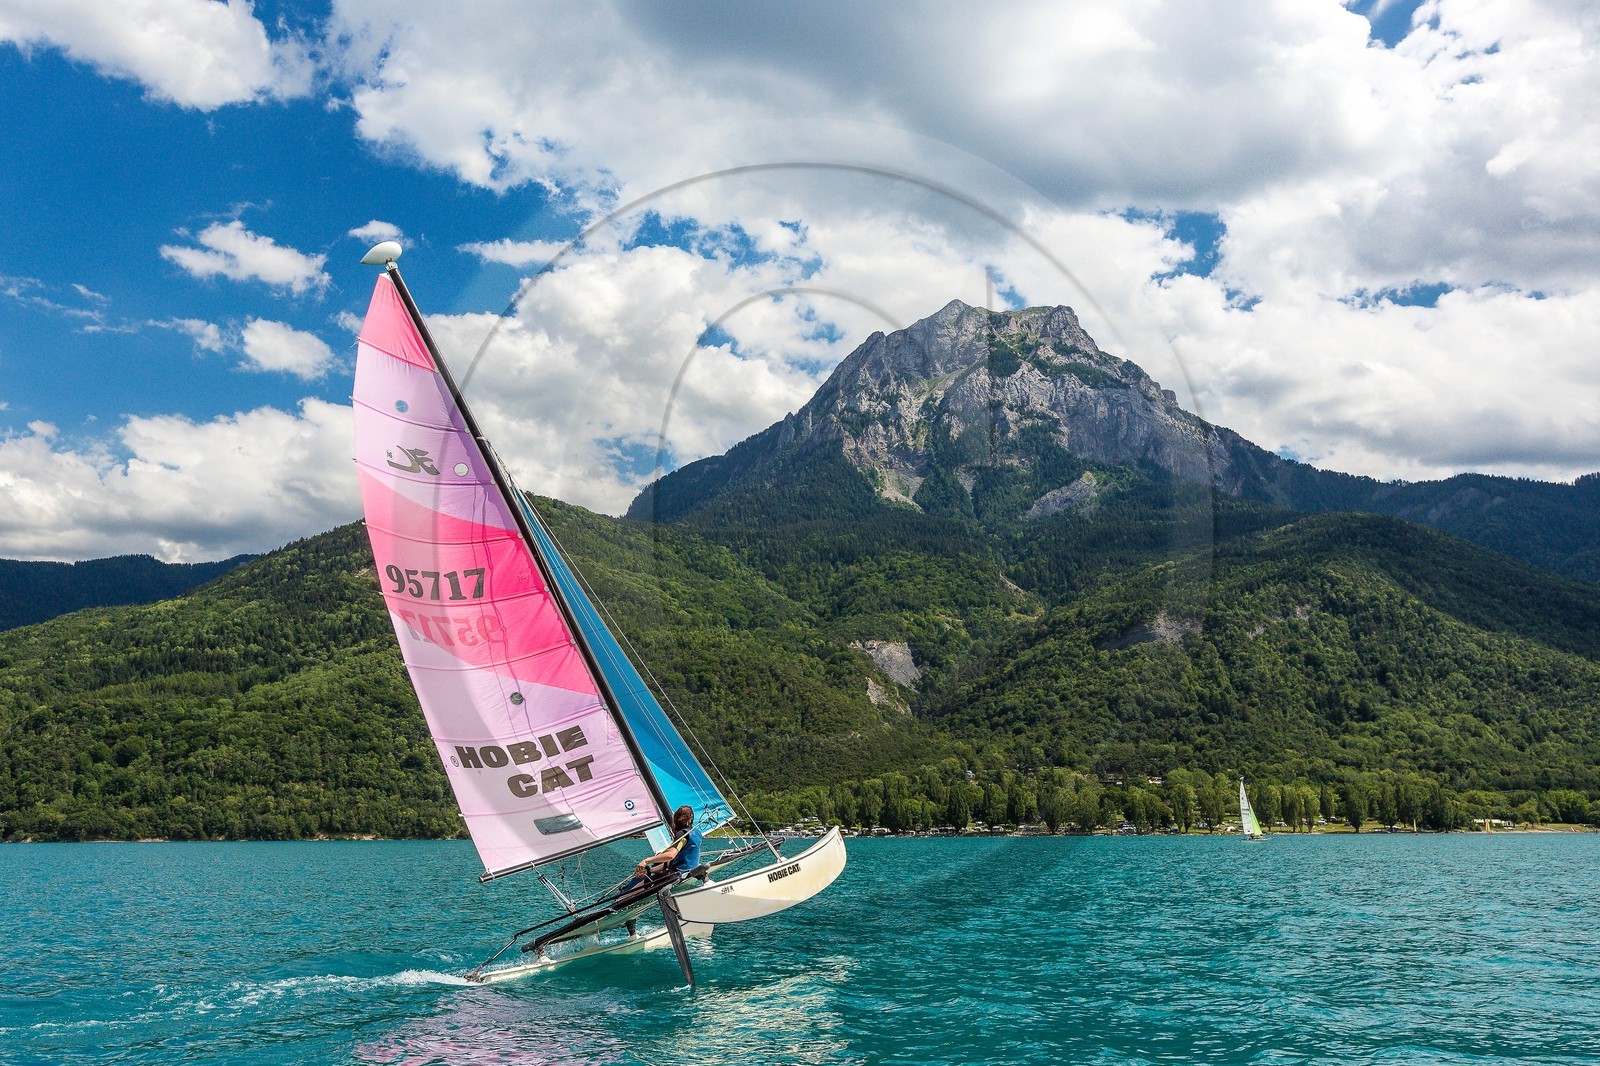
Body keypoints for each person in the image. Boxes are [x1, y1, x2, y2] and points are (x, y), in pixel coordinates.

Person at [622, 805, 701, 936]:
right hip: (682, 871)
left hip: (675, 875)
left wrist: (647, 861)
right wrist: (649, 871)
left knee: (636, 887)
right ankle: (630, 920)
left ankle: (618, 906)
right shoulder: (697, 833)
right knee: (640, 880)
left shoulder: (682, 835)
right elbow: (670, 862)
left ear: (676, 819)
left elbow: (671, 855)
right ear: (691, 819)